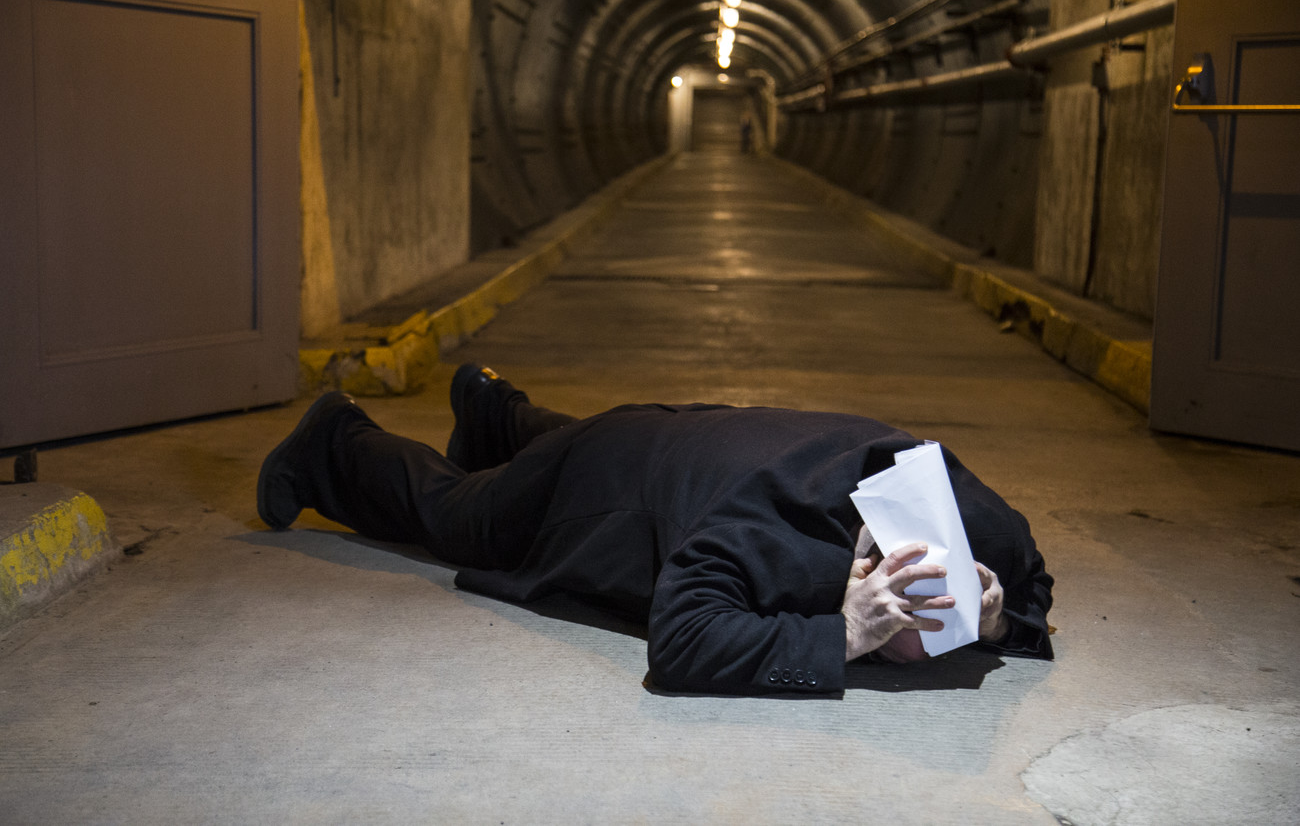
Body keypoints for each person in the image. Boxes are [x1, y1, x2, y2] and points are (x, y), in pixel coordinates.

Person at [257, 364, 1053, 696]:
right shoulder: (763, 533)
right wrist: (842, 634)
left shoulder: (970, 512)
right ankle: (337, 440)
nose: (920, 631)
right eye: (904, 613)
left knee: (584, 439)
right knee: (462, 517)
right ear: (860, 564)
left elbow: (1034, 586)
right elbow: (678, 640)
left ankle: (496, 410)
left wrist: (997, 617)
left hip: (682, 437)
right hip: (611, 480)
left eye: (938, 619)